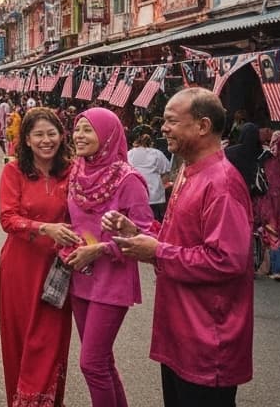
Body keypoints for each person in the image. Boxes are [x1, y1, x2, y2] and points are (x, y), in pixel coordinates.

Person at [102, 87, 253, 407]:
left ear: (203, 126)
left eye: (172, 121)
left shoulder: (222, 182)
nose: (163, 128)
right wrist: (139, 233)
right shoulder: (189, 171)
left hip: (208, 343)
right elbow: (182, 241)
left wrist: (156, 251)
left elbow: (227, 260)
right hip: (181, 337)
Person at [63, 107, 154, 407]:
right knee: (102, 361)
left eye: (88, 130)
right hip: (80, 278)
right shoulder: (76, 171)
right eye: (77, 129)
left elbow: (145, 233)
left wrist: (100, 249)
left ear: (108, 135)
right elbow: (72, 221)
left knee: (91, 364)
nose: (79, 136)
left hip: (111, 281)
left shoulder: (128, 179)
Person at [0, 108, 76, 407]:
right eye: (38, 135)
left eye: (51, 133)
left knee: (51, 340)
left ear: (61, 136)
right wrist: (44, 228)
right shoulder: (13, 171)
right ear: (27, 140)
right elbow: (8, 219)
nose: (46, 140)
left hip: (58, 269)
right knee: (22, 339)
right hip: (20, 269)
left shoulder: (74, 171)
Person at [256, 130, 280, 280]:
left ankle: (277, 268)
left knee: (270, 229)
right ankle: (274, 266)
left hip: (269, 197)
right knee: (277, 229)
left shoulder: (267, 156)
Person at [127, 132, 171, 221]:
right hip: (155, 198)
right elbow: (166, 174)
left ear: (135, 142)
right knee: (156, 224)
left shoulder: (129, 154)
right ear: (151, 142)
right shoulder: (157, 153)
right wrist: (159, 187)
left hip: (135, 197)